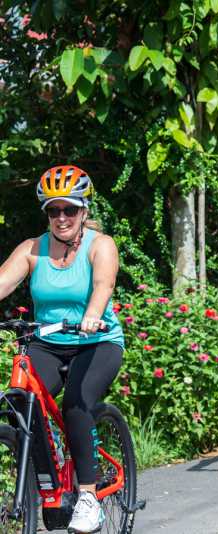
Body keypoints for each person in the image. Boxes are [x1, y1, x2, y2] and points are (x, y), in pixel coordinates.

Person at [0, 166, 124, 533]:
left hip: (96, 341)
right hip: (49, 342)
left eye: (69, 209)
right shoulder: (32, 249)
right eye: (54, 211)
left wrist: (91, 316)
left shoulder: (100, 245)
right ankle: (46, 484)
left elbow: (104, 284)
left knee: (76, 402)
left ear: (84, 211)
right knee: (18, 399)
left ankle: (88, 497)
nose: (62, 217)